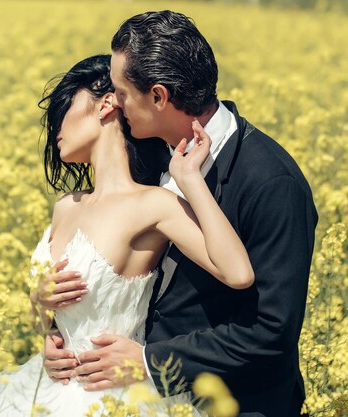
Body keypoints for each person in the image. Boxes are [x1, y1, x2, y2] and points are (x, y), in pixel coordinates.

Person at [42, 11, 318, 417]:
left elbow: (270, 332)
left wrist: (149, 363)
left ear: (158, 97)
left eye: (121, 91)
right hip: (128, 397)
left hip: (234, 405)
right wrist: (60, 335)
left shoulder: (271, 182)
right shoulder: (146, 151)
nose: (114, 102)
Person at [0, 53, 255, 416]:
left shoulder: (153, 204)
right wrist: (44, 318)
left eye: (64, 107)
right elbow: (58, 316)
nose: (54, 129)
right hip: (49, 389)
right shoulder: (65, 206)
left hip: (118, 396)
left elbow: (238, 273)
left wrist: (189, 179)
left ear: (106, 103)